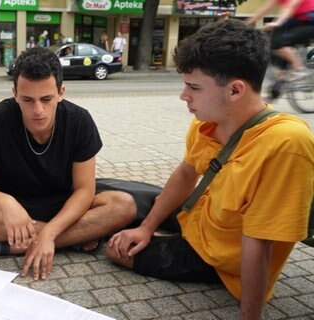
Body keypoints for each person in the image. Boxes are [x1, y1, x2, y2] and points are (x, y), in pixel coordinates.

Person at [105, 19, 314, 319]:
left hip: (218, 257)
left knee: (116, 250)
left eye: (193, 87)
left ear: (235, 90)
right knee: (121, 195)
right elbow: (186, 173)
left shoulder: (284, 144)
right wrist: (147, 227)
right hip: (200, 218)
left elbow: (259, 241)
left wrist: (249, 315)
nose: (183, 96)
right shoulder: (207, 123)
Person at [0, 47, 133, 281]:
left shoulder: (79, 120)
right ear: (15, 93)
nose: (37, 110)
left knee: (123, 205)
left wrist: (49, 232)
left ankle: (16, 245)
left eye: (46, 99)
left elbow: (84, 190)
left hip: (63, 207)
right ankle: (74, 240)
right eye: (27, 100)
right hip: (12, 213)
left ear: (61, 92)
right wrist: (6, 203)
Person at [246, 0, 314, 81]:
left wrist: (277, 22)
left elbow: (289, 7)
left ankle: (300, 69)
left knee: (278, 42)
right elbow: (264, 9)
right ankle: (282, 71)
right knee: (271, 37)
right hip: (300, 21)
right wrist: (245, 25)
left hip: (310, 22)